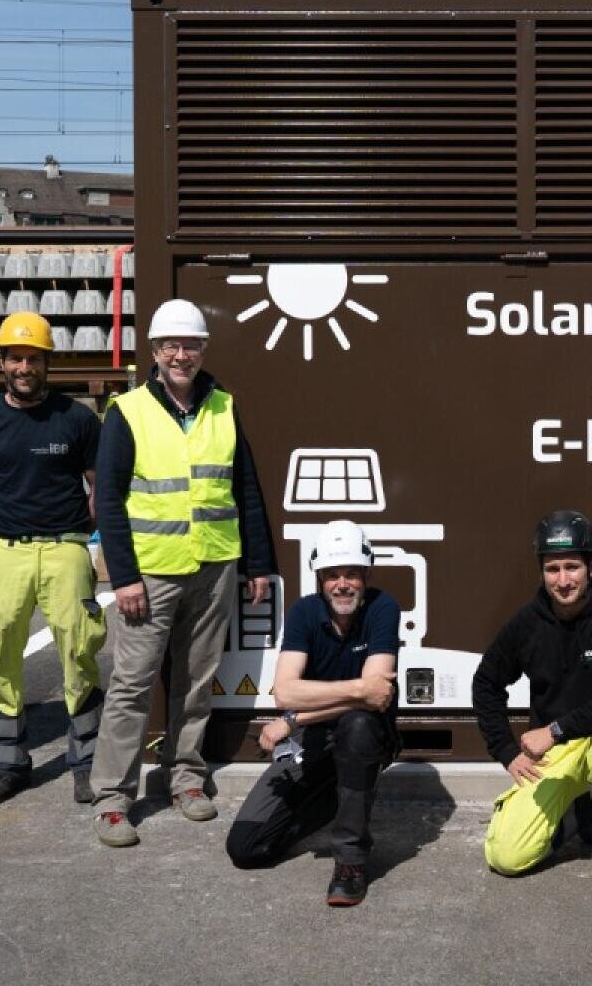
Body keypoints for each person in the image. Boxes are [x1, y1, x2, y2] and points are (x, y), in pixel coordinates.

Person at [89, 297, 277, 848]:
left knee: (197, 683)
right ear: (154, 351)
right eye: (171, 345)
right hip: (149, 573)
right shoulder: (127, 412)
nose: (181, 354)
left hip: (214, 564)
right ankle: (112, 798)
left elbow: (245, 486)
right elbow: (110, 502)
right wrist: (122, 576)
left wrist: (257, 562)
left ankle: (185, 779)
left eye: (190, 344)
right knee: (131, 685)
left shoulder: (223, 406)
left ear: (202, 350)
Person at [0, 312, 107, 807]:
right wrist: (4, 521)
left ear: (48, 362)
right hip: (5, 550)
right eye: (16, 357)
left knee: (79, 647)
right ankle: (8, 763)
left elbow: (98, 485)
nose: (25, 367)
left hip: (65, 546)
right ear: (1, 362)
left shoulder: (78, 419)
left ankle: (86, 763)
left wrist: (79, 534)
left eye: (34, 358)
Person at [473, 510, 592, 907]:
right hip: (559, 753)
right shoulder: (527, 623)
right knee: (506, 857)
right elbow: (486, 683)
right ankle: (578, 816)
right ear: (541, 571)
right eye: (553, 569)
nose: (563, 579)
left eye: (573, 566)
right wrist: (505, 751)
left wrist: (552, 730)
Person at [224, 520, 400, 907]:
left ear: (366, 574)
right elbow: (285, 690)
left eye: (352, 573)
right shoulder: (305, 612)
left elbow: (377, 700)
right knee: (247, 848)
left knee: (357, 725)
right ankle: (339, 801)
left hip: (366, 734)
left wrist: (292, 719)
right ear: (320, 578)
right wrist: (356, 688)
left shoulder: (383, 607)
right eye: (332, 575)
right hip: (314, 735)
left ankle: (350, 861)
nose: (342, 583)